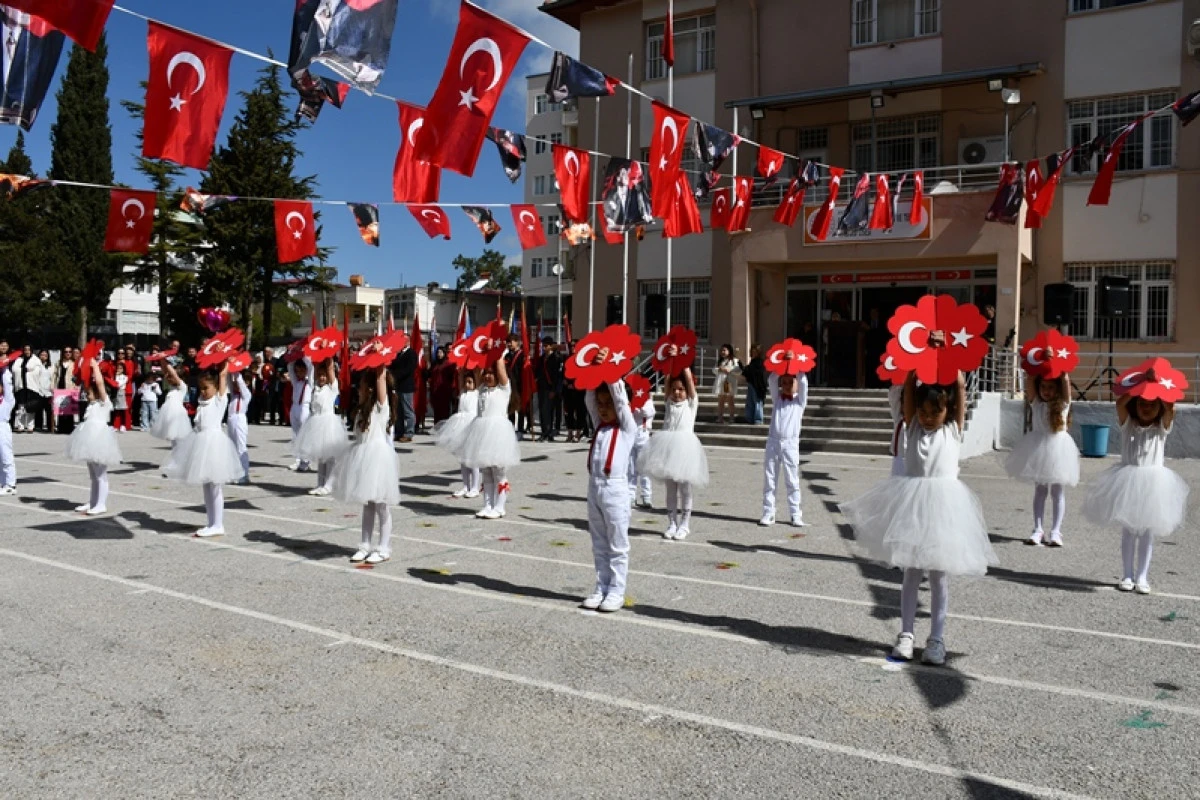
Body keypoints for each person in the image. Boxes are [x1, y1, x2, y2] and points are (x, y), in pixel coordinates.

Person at [841, 364, 998, 666]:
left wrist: (944, 358)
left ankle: (936, 639)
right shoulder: (911, 426)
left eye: (933, 413)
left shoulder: (953, 429)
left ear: (947, 411)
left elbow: (962, 388)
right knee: (911, 572)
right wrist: (916, 364)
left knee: (939, 576)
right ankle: (906, 634)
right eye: (923, 413)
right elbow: (910, 391)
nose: (927, 418)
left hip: (943, 508)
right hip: (913, 506)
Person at [1082, 375, 1189, 595]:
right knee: (1129, 530)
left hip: (1154, 484)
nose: (1147, 408)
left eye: (1152, 404)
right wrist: (1143, 385)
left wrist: (1156, 385)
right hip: (1129, 481)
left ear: (1159, 407)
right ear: (1136, 405)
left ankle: (1142, 576)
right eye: (1142, 403)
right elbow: (1120, 403)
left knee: (1148, 531)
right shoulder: (1128, 424)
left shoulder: (1161, 427)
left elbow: (1171, 408)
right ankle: (1127, 574)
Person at [581, 363, 638, 613]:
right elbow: (590, 399)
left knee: (617, 543)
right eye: (601, 404)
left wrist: (610, 371)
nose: (603, 409)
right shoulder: (599, 426)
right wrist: (595, 370)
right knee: (599, 542)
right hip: (594, 487)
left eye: (609, 404)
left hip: (615, 489)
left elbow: (620, 399)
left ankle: (617, 589)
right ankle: (601, 585)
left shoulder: (627, 428)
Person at [164, 362, 244, 537]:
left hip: (214, 444)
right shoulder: (202, 402)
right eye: (200, 388)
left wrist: (224, 362)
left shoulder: (219, 400)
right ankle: (211, 522)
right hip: (201, 443)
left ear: (216, 387)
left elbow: (223, 375)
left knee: (215, 486)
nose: (202, 391)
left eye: (206, 388)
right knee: (207, 487)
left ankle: (218, 524)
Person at [332, 362, 400, 564]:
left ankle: (384, 547)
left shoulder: (381, 408)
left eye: (361, 386)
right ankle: (364, 545)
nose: (357, 390)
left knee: (381, 505)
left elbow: (381, 380)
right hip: (363, 458)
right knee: (368, 504)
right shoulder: (362, 411)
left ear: (369, 389)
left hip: (377, 458)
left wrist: (380, 365)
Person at [1005, 373, 1080, 547]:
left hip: (1058, 451)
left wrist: (1059, 368)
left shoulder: (1063, 404)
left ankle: (1056, 531)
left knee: (1057, 492)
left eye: (1050, 387)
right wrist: (1037, 366)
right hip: (1038, 448)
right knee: (1040, 491)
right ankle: (1038, 529)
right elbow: (1030, 379)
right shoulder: (1036, 404)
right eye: (1043, 387)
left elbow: (1066, 380)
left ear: (1058, 389)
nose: (1046, 391)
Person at [638, 361, 709, 540]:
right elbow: (668, 381)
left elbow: (690, 386)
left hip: (685, 449)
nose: (677, 392)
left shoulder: (691, 404)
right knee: (670, 489)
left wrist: (683, 363)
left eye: (681, 389)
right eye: (675, 390)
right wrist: (672, 362)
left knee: (685, 488)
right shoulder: (669, 402)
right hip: (668, 448)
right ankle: (671, 522)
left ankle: (685, 523)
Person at [460, 357, 520, 519]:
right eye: (486, 373)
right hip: (481, 432)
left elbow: (500, 366)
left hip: (497, 434)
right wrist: (481, 353)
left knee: (498, 471)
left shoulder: (503, 389)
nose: (487, 376)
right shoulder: (482, 389)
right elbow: (477, 368)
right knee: (486, 471)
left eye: (491, 374)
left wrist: (497, 353)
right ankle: (488, 505)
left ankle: (500, 507)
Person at [65, 358, 122, 516]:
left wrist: (95, 366)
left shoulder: (105, 402)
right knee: (92, 474)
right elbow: (83, 381)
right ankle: (93, 501)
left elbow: (100, 383)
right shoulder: (90, 405)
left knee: (100, 474)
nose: (86, 392)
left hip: (100, 440)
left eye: (89, 391)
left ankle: (101, 503)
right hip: (89, 439)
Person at [759, 360, 809, 527]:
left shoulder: (800, 402)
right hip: (773, 441)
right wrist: (783, 364)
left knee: (792, 480)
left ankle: (795, 514)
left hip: (790, 444)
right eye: (784, 382)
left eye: (790, 382)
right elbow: (772, 380)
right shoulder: (777, 399)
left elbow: (803, 381)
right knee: (770, 478)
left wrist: (794, 363)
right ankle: (768, 512)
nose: (786, 385)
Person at [295, 359, 349, 496]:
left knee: (330, 456)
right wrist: (317, 359)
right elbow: (315, 368)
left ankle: (329, 485)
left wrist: (328, 354)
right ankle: (320, 483)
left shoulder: (332, 388)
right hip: (316, 423)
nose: (322, 378)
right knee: (320, 457)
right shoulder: (315, 387)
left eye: (324, 375)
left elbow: (330, 369)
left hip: (328, 423)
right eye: (319, 375)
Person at [432, 369, 481, 499]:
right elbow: (460, 379)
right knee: (463, 460)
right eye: (466, 382)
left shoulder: (477, 393)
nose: (467, 384)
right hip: (460, 425)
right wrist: (461, 371)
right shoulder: (463, 393)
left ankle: (475, 487)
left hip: (471, 425)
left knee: (473, 459)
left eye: (470, 382)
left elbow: (477, 374)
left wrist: (475, 372)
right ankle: (466, 486)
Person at [152, 361, 194, 445]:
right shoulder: (172, 387)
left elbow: (173, 374)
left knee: (178, 435)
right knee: (173, 438)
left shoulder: (182, 386)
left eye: (171, 377)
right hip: (168, 413)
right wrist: (162, 361)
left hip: (176, 413)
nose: (168, 378)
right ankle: (175, 452)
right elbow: (166, 372)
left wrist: (165, 360)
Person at [628, 378, 655, 509]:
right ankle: (630, 495)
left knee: (644, 468)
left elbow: (648, 412)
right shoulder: (630, 401)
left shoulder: (648, 401)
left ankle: (646, 496)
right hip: (630, 435)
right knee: (631, 468)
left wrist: (639, 403)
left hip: (643, 435)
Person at [288, 357, 314, 471]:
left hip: (305, 407)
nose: (299, 373)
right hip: (295, 407)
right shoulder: (296, 381)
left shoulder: (310, 382)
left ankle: (306, 460)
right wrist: (294, 355)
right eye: (297, 371)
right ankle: (298, 460)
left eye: (302, 370)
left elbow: (311, 367)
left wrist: (304, 356)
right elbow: (290, 368)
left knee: (304, 435)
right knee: (295, 434)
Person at [226, 366, 251, 485]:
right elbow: (229, 381)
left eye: (239, 383)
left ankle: (244, 474)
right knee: (232, 447)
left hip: (240, 419)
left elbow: (240, 383)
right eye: (235, 383)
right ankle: (234, 473)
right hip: (231, 419)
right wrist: (228, 368)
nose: (236, 385)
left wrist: (235, 368)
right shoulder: (233, 395)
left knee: (241, 447)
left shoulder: (246, 395)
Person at [503, 334, 530, 440]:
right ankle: (510, 428)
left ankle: (520, 429)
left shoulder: (523, 355)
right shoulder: (507, 356)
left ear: (517, 342)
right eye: (507, 342)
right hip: (509, 386)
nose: (509, 344)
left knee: (521, 409)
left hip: (519, 385)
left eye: (511, 342)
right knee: (511, 408)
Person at [536, 338, 564, 442]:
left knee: (549, 411)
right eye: (543, 345)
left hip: (550, 387)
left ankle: (549, 432)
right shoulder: (542, 358)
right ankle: (544, 432)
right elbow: (538, 372)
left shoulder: (556, 358)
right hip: (542, 387)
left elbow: (557, 376)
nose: (544, 348)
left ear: (551, 346)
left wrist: (554, 390)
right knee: (543, 411)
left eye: (546, 345)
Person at [12, 345, 44, 433]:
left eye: (28, 349)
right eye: (25, 349)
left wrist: (28, 370)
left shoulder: (36, 360)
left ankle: (30, 426)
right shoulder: (19, 360)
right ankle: (20, 425)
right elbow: (15, 370)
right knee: (21, 407)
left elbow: (38, 372)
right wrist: (24, 370)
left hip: (32, 387)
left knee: (31, 407)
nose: (27, 351)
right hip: (21, 386)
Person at [391, 342, 417, 442]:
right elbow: (393, 366)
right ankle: (399, 432)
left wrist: (396, 376)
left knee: (408, 411)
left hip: (407, 386)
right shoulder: (398, 354)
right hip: (398, 386)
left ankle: (409, 433)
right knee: (398, 411)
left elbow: (409, 369)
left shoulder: (411, 353)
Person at [427, 346, 458, 424]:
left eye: (441, 352)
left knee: (444, 410)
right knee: (436, 409)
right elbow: (429, 374)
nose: (439, 354)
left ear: (444, 353)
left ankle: (443, 427)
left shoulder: (448, 364)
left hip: (444, 391)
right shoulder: (435, 364)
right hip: (435, 391)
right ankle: (436, 426)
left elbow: (452, 377)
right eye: (438, 352)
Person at [712, 344, 741, 424]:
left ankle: (731, 417)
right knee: (721, 400)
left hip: (728, 382)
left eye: (724, 350)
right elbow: (714, 370)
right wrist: (719, 369)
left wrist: (729, 370)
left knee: (730, 399)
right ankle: (720, 417)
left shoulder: (734, 360)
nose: (723, 352)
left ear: (729, 351)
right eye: (722, 350)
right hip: (720, 382)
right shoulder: (720, 361)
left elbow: (738, 370)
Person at [740, 345, 767, 425]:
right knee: (750, 402)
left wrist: (746, 369)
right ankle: (749, 418)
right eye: (752, 351)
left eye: (755, 351)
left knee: (757, 402)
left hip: (758, 386)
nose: (753, 353)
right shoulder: (753, 361)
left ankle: (758, 420)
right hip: (751, 384)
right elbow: (748, 372)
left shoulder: (760, 362)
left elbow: (756, 373)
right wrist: (743, 368)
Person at [0, 358, 15, 494]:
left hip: (3, 427)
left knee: (6, 456)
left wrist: (4, 368)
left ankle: (10, 484)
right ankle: (2, 483)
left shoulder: (7, 400)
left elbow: (7, 385)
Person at [53, 346, 77, 434]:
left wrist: (76, 386)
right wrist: (53, 386)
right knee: (61, 409)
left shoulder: (74, 363)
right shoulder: (58, 363)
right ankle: (61, 428)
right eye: (66, 351)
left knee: (69, 410)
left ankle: (69, 429)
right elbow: (54, 375)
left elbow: (76, 376)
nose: (68, 353)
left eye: (70, 352)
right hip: (60, 387)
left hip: (70, 387)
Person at [34, 349, 53, 432]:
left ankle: (49, 426)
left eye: (45, 355)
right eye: (42, 354)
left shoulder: (51, 366)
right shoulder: (36, 365)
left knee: (49, 410)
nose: (43, 356)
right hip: (39, 390)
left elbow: (53, 378)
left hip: (49, 391)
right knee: (38, 410)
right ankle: (38, 426)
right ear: (39, 355)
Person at [110, 361, 132, 432]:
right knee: (116, 409)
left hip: (121, 392)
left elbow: (119, 384)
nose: (119, 370)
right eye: (118, 368)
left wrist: (116, 378)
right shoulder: (114, 376)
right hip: (115, 393)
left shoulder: (125, 377)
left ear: (123, 369)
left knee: (122, 409)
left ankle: (123, 425)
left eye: (121, 368)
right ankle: (115, 425)